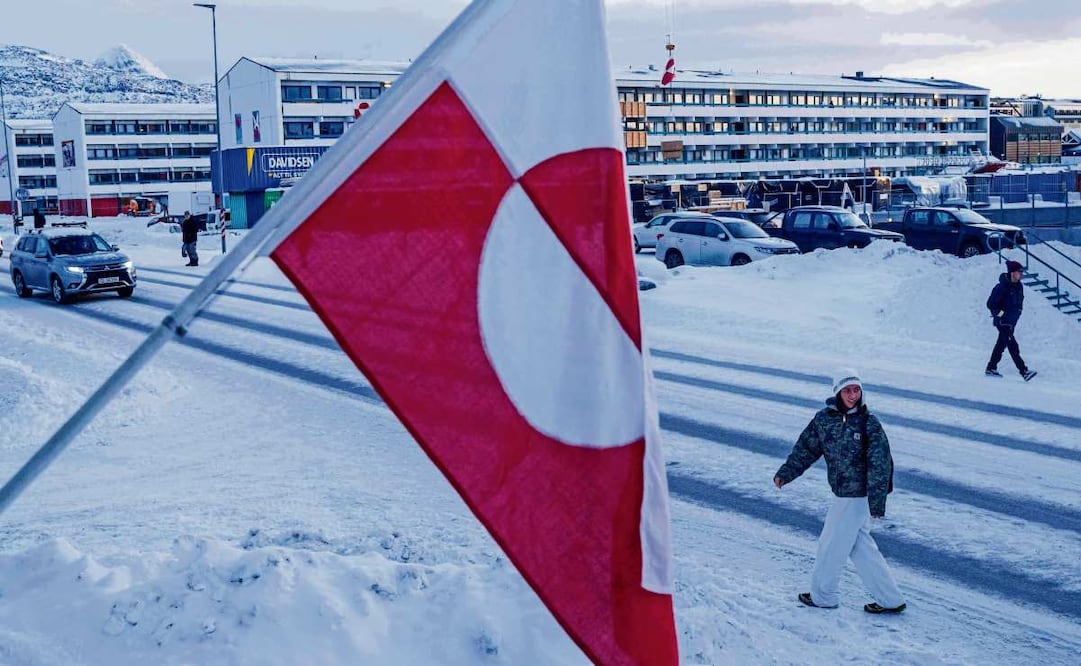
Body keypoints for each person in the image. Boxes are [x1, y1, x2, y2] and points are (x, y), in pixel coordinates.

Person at [773, 370, 906, 614]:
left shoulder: (869, 424)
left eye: (856, 390)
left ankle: (823, 596)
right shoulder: (824, 420)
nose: (853, 395)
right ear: (837, 392)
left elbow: (881, 464)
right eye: (847, 390)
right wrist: (786, 473)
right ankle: (890, 599)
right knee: (860, 547)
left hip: (856, 497)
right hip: (841, 493)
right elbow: (805, 449)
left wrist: (877, 502)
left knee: (831, 545)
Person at [985, 260, 1036, 381]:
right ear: (1013, 273)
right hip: (1002, 322)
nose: (1022, 274)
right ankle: (1024, 371)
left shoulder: (1019, 286)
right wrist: (1002, 315)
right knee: (1013, 345)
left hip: (1011, 322)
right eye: (1020, 272)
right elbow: (990, 304)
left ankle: (991, 368)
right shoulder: (1002, 287)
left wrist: (1016, 315)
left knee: (1001, 345)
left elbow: (1018, 304)